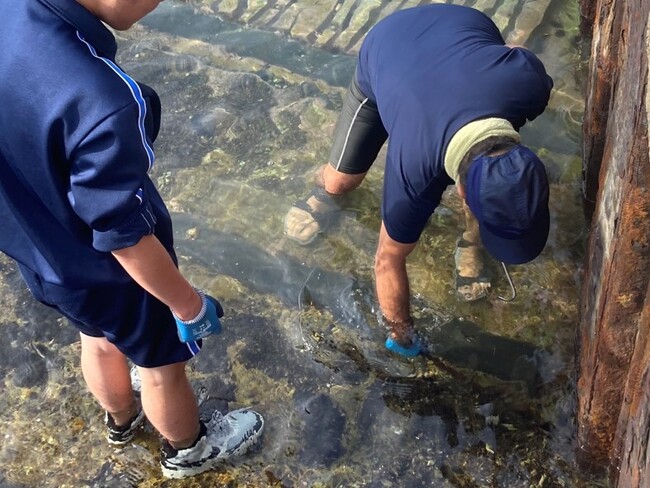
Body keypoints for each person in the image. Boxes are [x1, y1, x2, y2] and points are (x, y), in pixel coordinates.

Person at [0, 0, 264, 479]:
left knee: (96, 339)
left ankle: (121, 422)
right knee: (163, 365)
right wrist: (188, 306)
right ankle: (187, 449)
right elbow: (123, 236)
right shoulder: (103, 99)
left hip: (43, 256)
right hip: (122, 276)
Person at [284, 4, 553, 357]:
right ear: (459, 193)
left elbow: (518, 55)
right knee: (341, 183)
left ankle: (473, 237)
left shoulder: (529, 86)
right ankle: (321, 191)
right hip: (388, 47)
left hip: (463, 24)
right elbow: (386, 260)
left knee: (487, 178)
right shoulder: (412, 175)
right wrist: (402, 334)